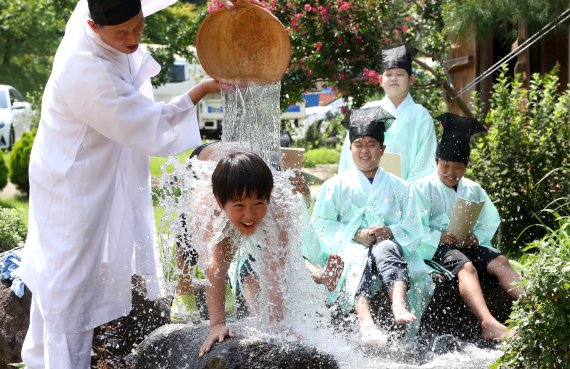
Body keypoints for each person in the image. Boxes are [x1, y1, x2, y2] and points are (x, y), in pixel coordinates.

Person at [16, 0, 236, 368]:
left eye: (139, 26)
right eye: (122, 33)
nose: (134, 38)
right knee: (70, 280)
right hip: (73, 182)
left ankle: (40, 360)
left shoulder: (98, 12)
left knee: (57, 273)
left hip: (82, 165)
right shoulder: (85, 70)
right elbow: (149, 125)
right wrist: (198, 91)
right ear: (93, 27)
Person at [170, 142, 343, 321]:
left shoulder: (278, 207)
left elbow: (275, 267)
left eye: (258, 205)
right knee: (192, 233)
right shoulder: (207, 204)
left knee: (237, 234)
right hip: (205, 159)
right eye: (239, 206)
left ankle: (226, 287)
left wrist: (279, 324)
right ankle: (183, 289)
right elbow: (215, 267)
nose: (249, 215)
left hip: (246, 164)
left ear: (267, 198)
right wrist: (217, 325)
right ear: (221, 202)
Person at [310, 107, 433, 345]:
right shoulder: (333, 186)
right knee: (356, 259)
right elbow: (321, 225)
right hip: (349, 248)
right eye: (358, 144)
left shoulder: (401, 187)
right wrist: (354, 234)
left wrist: (391, 231)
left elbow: (413, 225)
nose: (364, 151)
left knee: (387, 248)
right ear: (350, 148)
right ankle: (366, 323)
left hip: (389, 248)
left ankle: (398, 304)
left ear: (382, 149)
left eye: (371, 144)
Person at [409, 112, 523, 341]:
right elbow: (412, 227)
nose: (451, 173)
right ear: (436, 162)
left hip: (467, 243)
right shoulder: (421, 188)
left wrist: (477, 237)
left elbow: (489, 220)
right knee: (467, 268)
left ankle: (536, 305)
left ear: (467, 165)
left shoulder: (473, 188)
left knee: (500, 261)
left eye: (458, 167)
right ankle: (488, 323)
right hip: (437, 247)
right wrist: (438, 237)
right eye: (445, 166)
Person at [337, 44, 437, 183]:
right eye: (388, 74)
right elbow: (351, 153)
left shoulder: (421, 115)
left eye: (400, 74)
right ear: (380, 80)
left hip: (408, 191)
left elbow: (426, 160)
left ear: (411, 79)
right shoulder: (368, 110)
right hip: (368, 189)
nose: (394, 79)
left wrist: (408, 191)